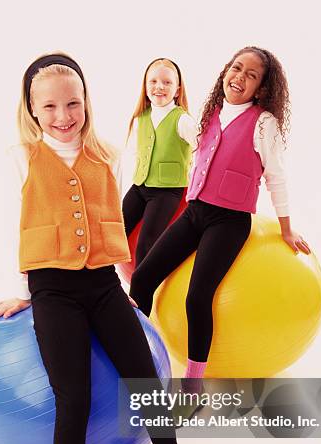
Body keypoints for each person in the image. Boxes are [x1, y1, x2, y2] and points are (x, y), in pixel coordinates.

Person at [0, 52, 200, 444]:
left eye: (73, 102)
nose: (64, 115)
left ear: (87, 103)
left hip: (102, 284)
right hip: (52, 290)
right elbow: (14, 224)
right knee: (73, 396)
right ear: (32, 110)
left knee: (147, 381)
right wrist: (21, 295)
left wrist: (124, 294)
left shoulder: (105, 153)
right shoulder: (20, 157)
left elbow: (109, 224)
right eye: (50, 105)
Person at [130, 46, 311, 394]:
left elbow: (276, 176)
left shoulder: (263, 122)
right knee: (142, 277)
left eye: (251, 75)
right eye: (236, 68)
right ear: (226, 71)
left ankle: (193, 383)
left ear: (260, 88)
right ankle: (137, 357)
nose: (239, 77)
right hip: (197, 212)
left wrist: (286, 229)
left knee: (197, 297)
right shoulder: (210, 112)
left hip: (230, 221)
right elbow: (199, 155)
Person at [122, 58, 197, 268]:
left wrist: (195, 181)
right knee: (116, 231)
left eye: (166, 82)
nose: (159, 87)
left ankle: (141, 298)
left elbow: (203, 150)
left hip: (167, 190)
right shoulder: (141, 118)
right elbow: (133, 151)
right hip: (140, 186)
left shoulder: (183, 120)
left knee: (146, 244)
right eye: (153, 81)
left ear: (177, 89)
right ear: (145, 87)